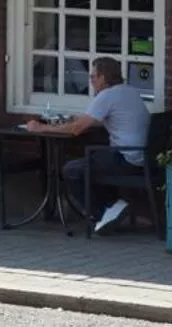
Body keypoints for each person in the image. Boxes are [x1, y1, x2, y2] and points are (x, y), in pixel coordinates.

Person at [24, 56, 151, 234]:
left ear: (103, 77)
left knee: (72, 170)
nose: (90, 81)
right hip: (142, 157)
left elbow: (76, 130)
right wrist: (79, 120)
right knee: (92, 161)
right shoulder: (128, 91)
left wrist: (40, 127)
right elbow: (98, 120)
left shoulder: (106, 95)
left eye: (93, 77)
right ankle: (112, 206)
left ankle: (103, 211)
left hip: (126, 159)